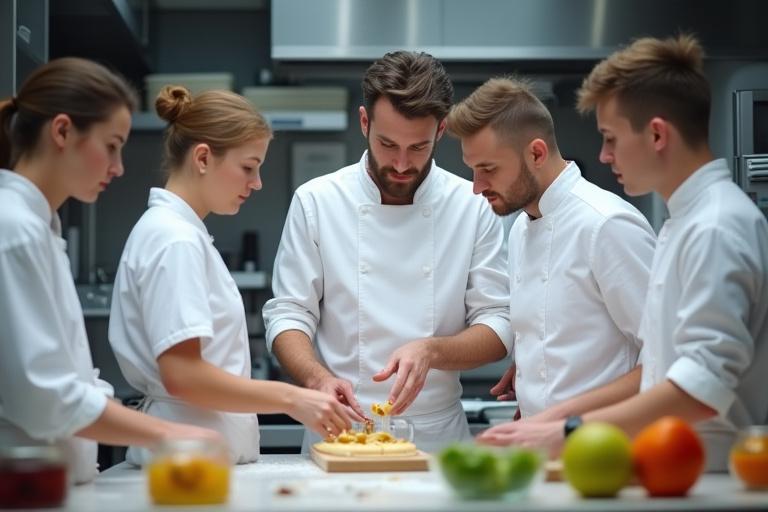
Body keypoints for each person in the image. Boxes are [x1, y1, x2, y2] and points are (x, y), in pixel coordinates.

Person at [475, 35, 768, 472]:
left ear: (657, 134)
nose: (604, 154)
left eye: (610, 138)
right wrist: (550, 413)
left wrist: (568, 428)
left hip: (715, 475)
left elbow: (701, 387)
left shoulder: (716, 226)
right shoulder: (686, 222)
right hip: (677, 469)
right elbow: (660, 369)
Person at [262, 51, 513, 453]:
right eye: (387, 143)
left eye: (418, 147)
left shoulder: (471, 205)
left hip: (436, 438)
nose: (400, 163)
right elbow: (289, 313)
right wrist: (316, 378)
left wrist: (432, 350)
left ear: (441, 130)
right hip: (340, 430)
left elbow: (498, 323)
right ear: (365, 122)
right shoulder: (317, 201)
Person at [0, 57, 220, 484]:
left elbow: (72, 380)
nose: (118, 167)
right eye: (112, 145)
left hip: (52, 485)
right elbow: (43, 397)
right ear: (62, 132)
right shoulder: (15, 230)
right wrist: (169, 434)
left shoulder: (38, 229)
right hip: (21, 487)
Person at [108, 85, 352, 466]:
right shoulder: (175, 239)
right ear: (203, 158)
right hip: (185, 463)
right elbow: (183, 375)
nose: (257, 183)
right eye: (248, 167)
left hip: (198, 459)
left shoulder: (181, 233)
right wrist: (292, 398)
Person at [446, 77, 656, 426]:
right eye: (473, 170)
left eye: (489, 169)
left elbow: (664, 361)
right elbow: (564, 336)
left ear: (537, 154)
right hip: (543, 442)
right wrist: (533, 380)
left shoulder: (606, 225)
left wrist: (561, 416)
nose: (477, 187)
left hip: (605, 442)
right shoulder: (520, 228)